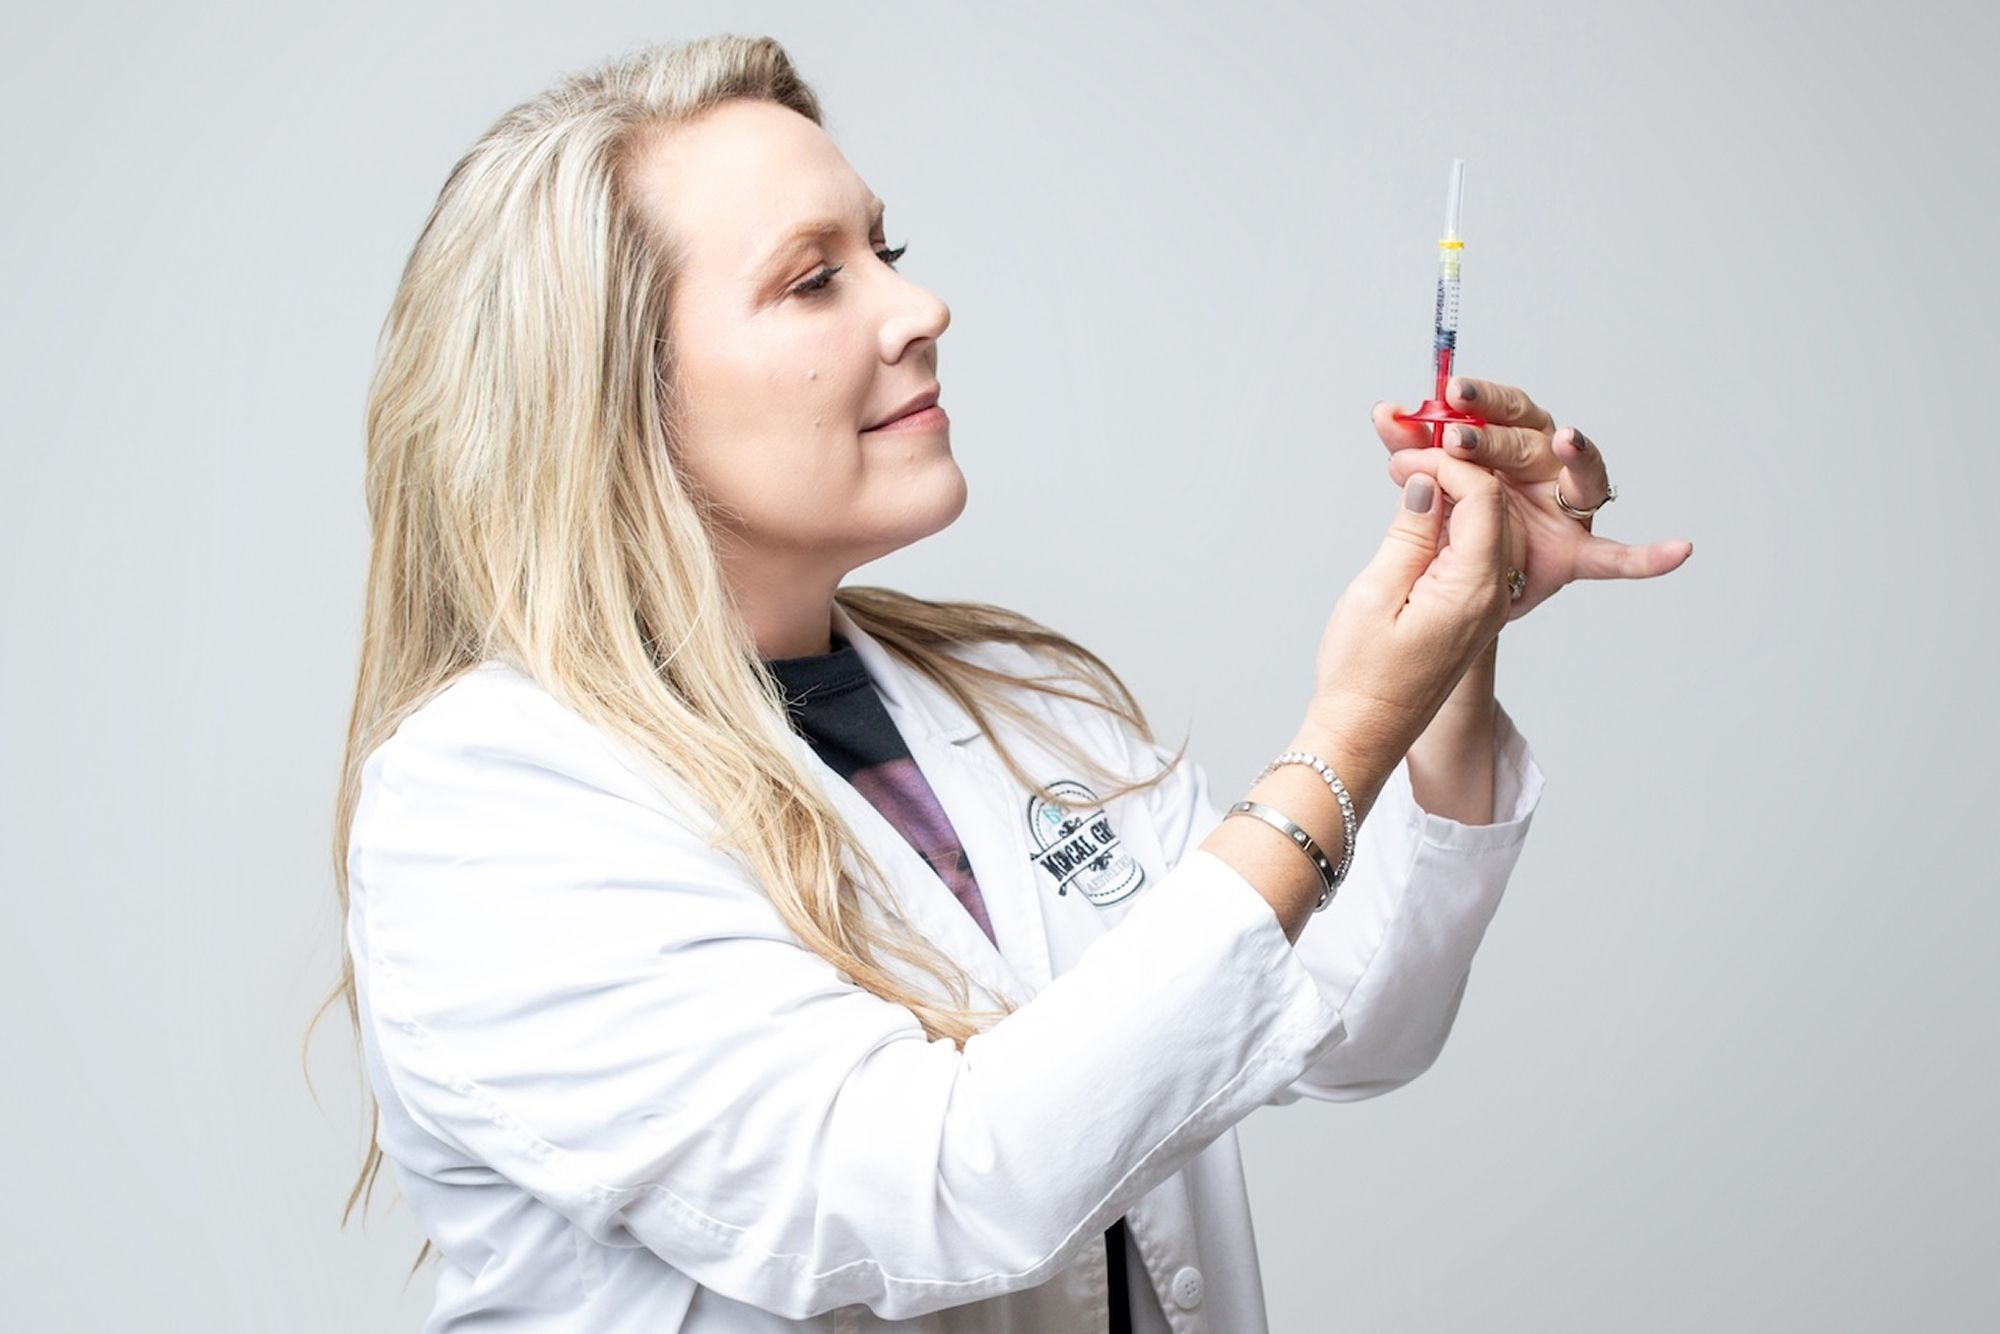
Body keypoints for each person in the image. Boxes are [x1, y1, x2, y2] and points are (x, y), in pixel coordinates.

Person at [316, 32, 1693, 1334]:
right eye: (814, 279)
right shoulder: (491, 808)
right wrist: (1345, 731)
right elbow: (933, 1189)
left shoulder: (1009, 700)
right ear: (609, 396)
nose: (920, 308)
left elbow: (1345, 1017)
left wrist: (1446, 655)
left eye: (887, 250)